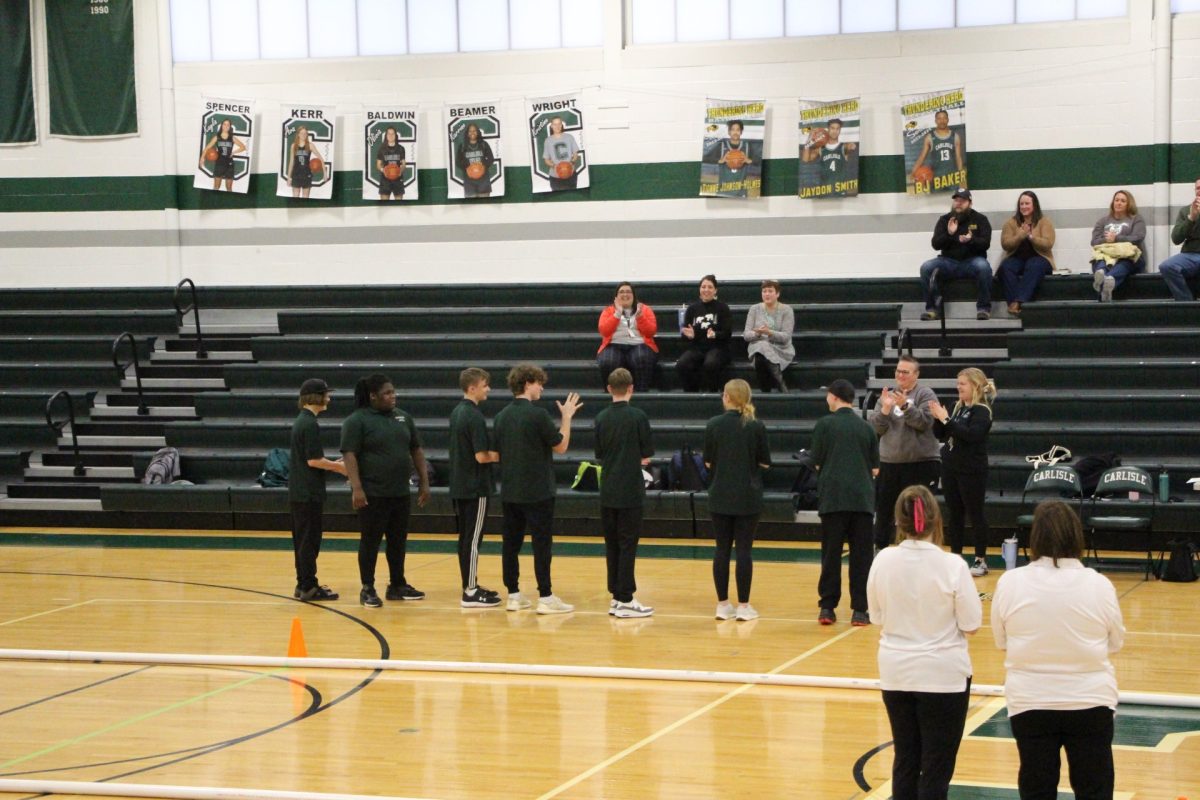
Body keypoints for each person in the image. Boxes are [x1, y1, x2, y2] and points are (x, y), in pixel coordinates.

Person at [992, 500, 1125, 800]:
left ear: (1036, 536)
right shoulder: (1098, 584)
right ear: (1075, 535)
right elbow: (1115, 642)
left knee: (1036, 789)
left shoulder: (1010, 582)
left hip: (1030, 702)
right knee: (1095, 790)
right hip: (1090, 701)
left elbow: (1001, 642)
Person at [867, 484, 982, 800]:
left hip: (896, 672)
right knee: (936, 769)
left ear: (897, 521)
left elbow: (876, 617)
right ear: (936, 520)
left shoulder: (883, 560)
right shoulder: (953, 565)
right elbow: (971, 624)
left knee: (905, 760)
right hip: (943, 677)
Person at [493, 364, 582, 614]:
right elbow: (561, 446)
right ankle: (545, 596)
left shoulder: (501, 416)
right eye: (539, 383)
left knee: (510, 543)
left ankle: (513, 594)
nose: (542, 388)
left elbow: (498, 453)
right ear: (527, 383)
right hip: (538, 491)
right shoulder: (538, 415)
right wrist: (566, 417)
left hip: (510, 490)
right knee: (542, 544)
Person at [340, 374, 430, 608]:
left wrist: (424, 480)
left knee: (398, 541)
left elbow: (416, 449)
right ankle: (367, 587)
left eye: (393, 392)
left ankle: (397, 585)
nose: (393, 396)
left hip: (400, 492)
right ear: (373, 396)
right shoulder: (357, 420)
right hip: (372, 493)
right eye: (387, 393)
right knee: (370, 541)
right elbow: (349, 454)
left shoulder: (403, 417)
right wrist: (356, 487)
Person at [810, 378, 878, 626]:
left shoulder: (825, 425)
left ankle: (827, 607)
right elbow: (875, 469)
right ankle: (860, 609)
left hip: (833, 498)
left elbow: (816, 462)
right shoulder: (867, 427)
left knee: (831, 554)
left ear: (834, 396)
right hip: (862, 500)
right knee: (862, 557)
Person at [704, 379, 771, 622]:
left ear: (728, 398)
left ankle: (722, 604)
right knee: (744, 550)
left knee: (722, 548)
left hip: (719, 493)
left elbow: (708, 462)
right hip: (747, 495)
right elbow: (765, 462)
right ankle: (744, 606)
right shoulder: (755, 425)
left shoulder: (713, 425)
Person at [594, 368, 655, 618]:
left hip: (607, 488)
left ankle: (616, 596)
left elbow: (598, 453)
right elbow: (647, 452)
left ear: (609, 389)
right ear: (631, 388)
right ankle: (626, 598)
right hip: (630, 489)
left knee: (612, 544)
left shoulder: (601, 417)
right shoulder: (638, 416)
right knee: (628, 543)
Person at [868, 355, 941, 552]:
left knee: (917, 512)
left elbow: (925, 423)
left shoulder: (925, 394)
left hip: (920, 464)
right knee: (883, 512)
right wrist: (884, 410)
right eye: (898, 371)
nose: (900, 375)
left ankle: (920, 550)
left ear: (916, 374)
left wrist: (905, 407)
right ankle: (880, 552)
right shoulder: (888, 395)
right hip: (889, 463)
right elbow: (876, 428)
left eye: (905, 372)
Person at [929, 368, 996, 578]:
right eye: (958, 383)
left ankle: (980, 559)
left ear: (975, 386)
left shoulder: (982, 411)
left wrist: (947, 420)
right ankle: (955, 556)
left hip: (972, 469)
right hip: (951, 466)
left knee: (975, 513)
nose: (958, 387)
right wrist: (937, 419)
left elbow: (972, 436)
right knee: (954, 513)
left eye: (962, 384)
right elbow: (940, 434)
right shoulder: (956, 407)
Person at [288, 378, 346, 602]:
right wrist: (339, 467)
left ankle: (303, 583)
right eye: (325, 394)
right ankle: (308, 586)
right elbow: (313, 461)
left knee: (303, 540)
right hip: (307, 492)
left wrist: (331, 462)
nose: (329, 398)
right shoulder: (309, 423)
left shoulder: (302, 421)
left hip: (301, 492)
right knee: (309, 541)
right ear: (316, 397)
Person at [448, 367, 501, 609]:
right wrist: (504, 455)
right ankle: (470, 591)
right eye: (484, 384)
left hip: (460, 483)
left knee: (465, 538)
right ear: (472, 388)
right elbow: (481, 456)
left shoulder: (457, 412)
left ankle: (470, 586)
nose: (488, 388)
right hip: (475, 486)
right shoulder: (474, 416)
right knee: (472, 540)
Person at [919, 187, 993, 321]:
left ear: (970, 203)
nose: (958, 203)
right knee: (926, 267)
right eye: (956, 200)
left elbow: (986, 243)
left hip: (972, 261)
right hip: (948, 262)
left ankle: (983, 309)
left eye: (962, 200)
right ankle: (933, 309)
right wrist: (949, 234)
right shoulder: (944, 220)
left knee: (984, 267)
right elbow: (935, 244)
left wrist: (971, 240)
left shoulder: (980, 219)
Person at [997, 191, 1055, 315]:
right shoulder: (1010, 223)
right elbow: (1005, 244)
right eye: (1021, 204)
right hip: (1016, 258)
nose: (1024, 206)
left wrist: (1031, 237)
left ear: (1034, 205)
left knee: (1033, 265)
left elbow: (1048, 244)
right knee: (1005, 268)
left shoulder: (1044, 221)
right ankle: (1014, 304)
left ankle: (1018, 302)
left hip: (1040, 258)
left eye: (1027, 203)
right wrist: (1020, 235)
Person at [597, 282, 658, 393]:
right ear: (616, 297)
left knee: (642, 358)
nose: (625, 294)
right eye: (621, 292)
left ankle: (641, 393)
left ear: (634, 295)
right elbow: (604, 331)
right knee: (608, 361)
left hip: (639, 344)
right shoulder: (608, 311)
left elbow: (651, 332)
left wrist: (640, 317)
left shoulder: (645, 309)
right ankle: (611, 395)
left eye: (628, 291)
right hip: (614, 344)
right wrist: (617, 314)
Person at [676, 274, 733, 393]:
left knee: (711, 363)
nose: (706, 290)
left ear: (715, 290)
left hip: (718, 347)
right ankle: (691, 394)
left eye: (710, 287)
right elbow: (685, 335)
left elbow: (728, 333)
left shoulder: (723, 308)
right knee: (682, 364)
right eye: (703, 287)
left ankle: (712, 393)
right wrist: (689, 336)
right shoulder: (692, 309)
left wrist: (715, 335)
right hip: (697, 347)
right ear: (699, 289)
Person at [1090, 189, 1146, 303]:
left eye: (1123, 201)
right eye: (1116, 200)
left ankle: (1107, 280)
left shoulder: (1136, 219)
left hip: (1128, 257)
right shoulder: (1103, 221)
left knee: (1124, 261)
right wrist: (1106, 240)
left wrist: (1116, 238)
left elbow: (1138, 237)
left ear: (1129, 204)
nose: (1119, 203)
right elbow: (1094, 241)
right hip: (1106, 255)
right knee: (1100, 258)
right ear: (1112, 202)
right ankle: (1102, 276)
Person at [742, 279, 794, 393]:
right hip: (758, 346)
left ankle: (765, 392)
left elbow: (786, 337)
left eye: (770, 291)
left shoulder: (787, 310)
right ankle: (780, 384)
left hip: (781, 348)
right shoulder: (754, 309)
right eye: (764, 291)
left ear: (777, 294)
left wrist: (769, 333)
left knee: (761, 355)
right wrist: (758, 333)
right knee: (761, 349)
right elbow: (746, 335)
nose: (766, 294)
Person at [1159, 177, 1200, 301]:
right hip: (1190, 254)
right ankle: (1186, 303)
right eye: (1198, 188)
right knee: (1166, 266)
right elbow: (1176, 239)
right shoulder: (1185, 211)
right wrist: (1191, 218)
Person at [910, 109, 965, 187]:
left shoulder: (955, 136)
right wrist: (913, 172)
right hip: (935, 178)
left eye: (944, 118)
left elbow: (958, 158)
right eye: (939, 118)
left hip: (952, 178)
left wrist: (961, 175)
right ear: (935, 120)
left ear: (948, 120)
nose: (942, 121)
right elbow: (922, 157)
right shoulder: (929, 137)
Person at [801, 118, 857, 193]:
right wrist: (809, 139)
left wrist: (852, 145)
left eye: (837, 129)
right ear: (828, 129)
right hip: (824, 189)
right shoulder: (821, 148)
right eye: (832, 128)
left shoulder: (844, 146)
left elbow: (852, 146)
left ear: (840, 130)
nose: (835, 131)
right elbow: (805, 159)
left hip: (840, 190)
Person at [200, 118, 246, 192]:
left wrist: (234, 152)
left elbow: (243, 147)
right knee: (216, 187)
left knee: (229, 188)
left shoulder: (232, 138)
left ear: (230, 127)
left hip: (229, 164)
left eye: (228, 125)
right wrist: (202, 158)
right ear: (222, 125)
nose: (226, 126)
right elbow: (207, 148)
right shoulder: (217, 137)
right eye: (224, 124)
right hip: (219, 163)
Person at [455, 123, 495, 199]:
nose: (472, 133)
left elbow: (491, 158)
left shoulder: (484, 144)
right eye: (470, 131)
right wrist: (467, 166)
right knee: (471, 207)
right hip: (469, 181)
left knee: (485, 206)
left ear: (478, 132)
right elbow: (458, 162)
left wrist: (483, 165)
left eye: (474, 131)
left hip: (484, 181)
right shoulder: (463, 146)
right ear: (467, 133)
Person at [716, 120, 753, 197]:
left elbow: (757, 161)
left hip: (741, 190)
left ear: (741, 132)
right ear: (729, 132)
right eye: (733, 130)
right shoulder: (722, 146)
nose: (735, 132)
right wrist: (722, 160)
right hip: (724, 189)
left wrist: (748, 160)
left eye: (738, 130)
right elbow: (710, 159)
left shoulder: (747, 146)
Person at [542, 116, 579, 191]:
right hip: (555, 177)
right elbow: (546, 160)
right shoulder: (548, 140)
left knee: (572, 198)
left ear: (562, 125)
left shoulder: (569, 137)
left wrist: (571, 163)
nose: (557, 126)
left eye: (559, 124)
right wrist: (555, 166)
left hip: (570, 175)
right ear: (551, 126)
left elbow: (575, 154)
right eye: (555, 124)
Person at [375, 126, 407, 201]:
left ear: (396, 136)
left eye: (393, 134)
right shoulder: (381, 149)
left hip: (398, 179)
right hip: (385, 180)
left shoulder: (401, 148)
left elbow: (404, 164)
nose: (391, 135)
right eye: (389, 134)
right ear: (386, 136)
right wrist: (384, 170)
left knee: (399, 206)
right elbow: (378, 165)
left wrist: (400, 171)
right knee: (384, 206)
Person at [287, 125, 314, 199]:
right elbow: (291, 162)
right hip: (296, 174)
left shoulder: (310, 145)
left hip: (306, 174)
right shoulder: (294, 146)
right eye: (302, 133)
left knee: (305, 197)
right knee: (295, 197)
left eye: (305, 133)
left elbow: (320, 159)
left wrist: (324, 172)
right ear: (298, 134)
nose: (303, 135)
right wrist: (289, 177)